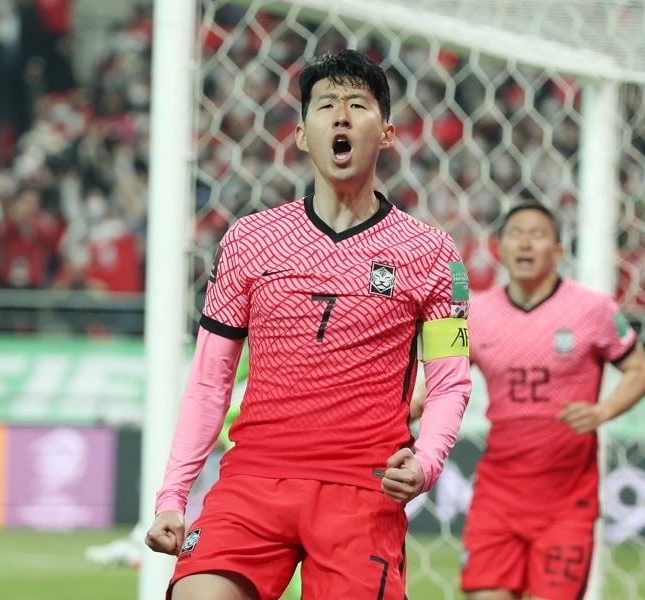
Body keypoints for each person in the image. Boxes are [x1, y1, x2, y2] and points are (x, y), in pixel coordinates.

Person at [145, 49, 473, 600]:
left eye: (357, 105)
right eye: (325, 106)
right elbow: (209, 381)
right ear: (301, 134)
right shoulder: (249, 240)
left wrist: (427, 462)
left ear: (387, 133)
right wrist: (172, 497)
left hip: (362, 491)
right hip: (253, 481)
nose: (341, 116)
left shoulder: (435, 254)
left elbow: (450, 381)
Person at [459, 201, 645, 600]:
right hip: (498, 495)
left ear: (558, 251)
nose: (525, 243)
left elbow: (641, 372)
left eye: (537, 234)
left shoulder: (594, 310)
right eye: (515, 234)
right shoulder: (473, 314)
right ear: (499, 247)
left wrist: (603, 410)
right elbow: (440, 382)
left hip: (566, 503)